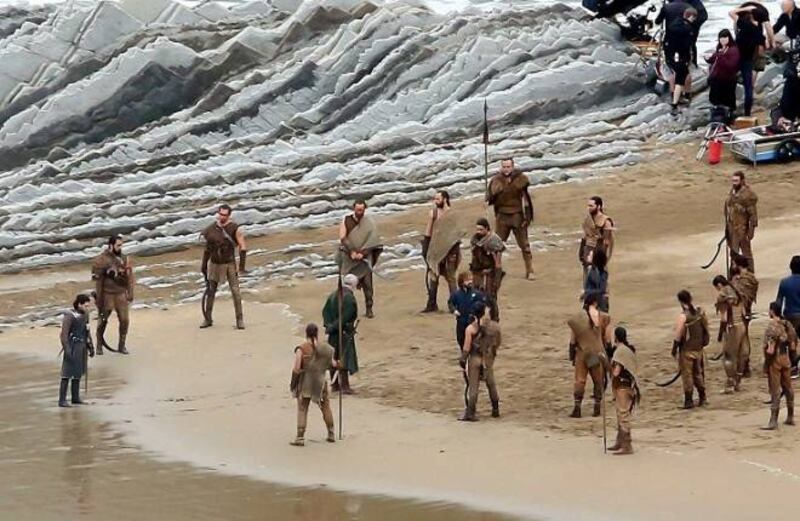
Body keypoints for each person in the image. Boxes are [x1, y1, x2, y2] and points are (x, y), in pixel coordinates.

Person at [486, 158, 535, 280]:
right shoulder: (496, 180)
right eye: (504, 167)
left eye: (508, 167)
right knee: (496, 245)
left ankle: (530, 270)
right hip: (502, 216)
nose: (506, 169)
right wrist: (492, 193)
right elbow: (490, 199)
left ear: (512, 167)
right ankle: (496, 270)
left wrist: (527, 216)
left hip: (517, 215)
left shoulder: (520, 179)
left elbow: (526, 200)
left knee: (525, 245)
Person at [200, 204, 247, 329]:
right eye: (221, 214)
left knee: (235, 292)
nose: (222, 217)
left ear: (229, 215)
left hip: (229, 263)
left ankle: (240, 320)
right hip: (214, 263)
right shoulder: (211, 229)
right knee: (211, 291)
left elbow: (243, 247)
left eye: (225, 215)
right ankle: (208, 319)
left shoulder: (234, 229)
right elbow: (207, 249)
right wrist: (204, 266)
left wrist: (241, 266)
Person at [289, 323, 337, 446]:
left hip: (306, 382)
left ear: (306, 333)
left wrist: (293, 383)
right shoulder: (325, 348)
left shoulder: (302, 349)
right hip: (320, 381)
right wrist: (339, 364)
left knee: (302, 408)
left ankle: (300, 437)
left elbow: (296, 368)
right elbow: (333, 364)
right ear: (317, 334)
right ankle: (331, 433)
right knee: (325, 407)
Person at [567, 293, 612, 418]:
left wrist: (572, 356)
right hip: (595, 355)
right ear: (596, 303)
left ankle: (577, 407)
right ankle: (597, 407)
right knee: (598, 380)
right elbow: (608, 340)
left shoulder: (577, 319)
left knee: (580, 380)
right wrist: (609, 355)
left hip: (582, 354)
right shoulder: (604, 318)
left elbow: (572, 341)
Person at [337, 200, 383, 319]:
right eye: (357, 210)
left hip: (365, 259)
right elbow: (343, 237)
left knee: (368, 285)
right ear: (354, 208)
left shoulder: (369, 222)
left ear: (364, 209)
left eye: (361, 210)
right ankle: (346, 309)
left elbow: (374, 240)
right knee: (347, 285)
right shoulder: (346, 220)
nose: (359, 212)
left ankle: (369, 308)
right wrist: (352, 251)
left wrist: (363, 253)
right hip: (349, 259)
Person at [458, 302, 502, 422]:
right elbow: (498, 342)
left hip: (475, 358)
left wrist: (463, 359)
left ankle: (471, 412)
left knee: (473, 386)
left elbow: (466, 347)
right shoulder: (494, 327)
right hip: (487, 359)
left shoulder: (471, 329)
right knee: (491, 384)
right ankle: (495, 408)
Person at [91, 234, 134, 355]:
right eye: (118, 245)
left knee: (125, 320)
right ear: (111, 245)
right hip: (107, 294)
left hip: (120, 293)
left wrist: (130, 292)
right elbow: (97, 279)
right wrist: (99, 298)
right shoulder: (101, 260)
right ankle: (99, 345)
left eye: (121, 245)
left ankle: (121, 345)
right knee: (103, 320)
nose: (120, 248)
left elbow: (129, 277)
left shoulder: (124, 259)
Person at [421, 190, 462, 313]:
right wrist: (426, 246)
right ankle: (432, 304)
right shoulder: (433, 213)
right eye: (435, 199)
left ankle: (454, 305)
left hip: (450, 251)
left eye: (438, 199)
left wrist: (454, 251)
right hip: (435, 250)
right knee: (433, 276)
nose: (436, 201)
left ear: (445, 199)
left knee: (451, 278)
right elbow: (428, 231)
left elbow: (456, 235)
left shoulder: (452, 214)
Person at [761, 302, 797, 429]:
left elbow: (770, 349)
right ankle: (790, 416)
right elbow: (793, 345)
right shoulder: (787, 324)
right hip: (785, 358)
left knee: (775, 390)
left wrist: (766, 364)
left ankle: (773, 421)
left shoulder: (772, 326)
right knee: (788, 388)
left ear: (772, 311)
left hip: (775, 359)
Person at [322, 274, 359, 394]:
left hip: (333, 333)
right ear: (353, 285)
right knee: (344, 357)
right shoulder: (349, 298)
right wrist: (335, 327)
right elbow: (346, 317)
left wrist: (329, 326)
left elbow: (325, 312)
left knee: (334, 356)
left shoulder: (333, 295)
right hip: (343, 332)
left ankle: (335, 385)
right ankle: (344, 386)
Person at [673, 290, 710, 409]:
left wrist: (674, 348)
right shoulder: (699, 313)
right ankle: (702, 397)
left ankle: (688, 401)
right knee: (698, 373)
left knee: (687, 375)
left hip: (687, 350)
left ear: (680, 301)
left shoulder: (683, 316)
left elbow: (678, 334)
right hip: (698, 349)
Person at [59, 294, 95, 407]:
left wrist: (90, 346)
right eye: (86, 306)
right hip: (72, 345)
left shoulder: (85, 315)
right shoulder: (70, 316)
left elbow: (87, 331)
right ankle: (62, 400)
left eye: (88, 306)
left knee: (78, 372)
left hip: (82, 346)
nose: (87, 308)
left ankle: (75, 397)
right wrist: (67, 349)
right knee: (67, 373)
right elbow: (64, 335)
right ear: (79, 304)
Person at [608, 327, 640, 455]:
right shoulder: (627, 350)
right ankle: (620, 441)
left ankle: (627, 445)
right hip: (628, 387)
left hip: (623, 387)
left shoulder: (620, 351)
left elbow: (616, 372)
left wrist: (607, 366)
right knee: (620, 414)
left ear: (616, 337)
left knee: (623, 415)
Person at [714, 275, 748, 393]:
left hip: (732, 327)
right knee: (742, 354)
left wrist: (720, 335)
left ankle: (730, 384)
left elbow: (724, 318)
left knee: (729, 356)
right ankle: (738, 382)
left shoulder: (723, 295)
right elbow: (744, 312)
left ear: (719, 285)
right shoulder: (738, 291)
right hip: (742, 326)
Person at [731, 8, 766, 116]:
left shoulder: (742, 23)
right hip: (747, 60)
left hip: (735, 59)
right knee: (748, 86)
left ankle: (730, 108)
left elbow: (732, 13)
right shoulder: (758, 32)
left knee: (730, 82)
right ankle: (747, 112)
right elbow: (761, 50)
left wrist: (747, 8)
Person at [469, 218, 505, 321]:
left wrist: (497, 278)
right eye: (477, 229)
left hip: (489, 273)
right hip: (477, 272)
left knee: (491, 298)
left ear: (487, 229)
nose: (478, 232)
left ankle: (494, 319)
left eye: (481, 230)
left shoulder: (493, 240)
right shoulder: (475, 239)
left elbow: (497, 262)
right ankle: (476, 319)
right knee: (475, 296)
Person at [664, 7, 698, 115]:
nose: (694, 20)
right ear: (690, 16)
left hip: (672, 56)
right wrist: (691, 58)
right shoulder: (688, 28)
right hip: (682, 57)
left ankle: (680, 97)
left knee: (681, 76)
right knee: (680, 81)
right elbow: (689, 45)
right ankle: (675, 103)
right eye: (694, 18)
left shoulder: (673, 25)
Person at [730, 253, 759, 377]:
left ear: (739, 265)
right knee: (744, 337)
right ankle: (745, 365)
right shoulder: (751, 278)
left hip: (739, 312)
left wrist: (732, 282)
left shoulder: (742, 280)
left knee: (740, 340)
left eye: (734, 264)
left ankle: (743, 366)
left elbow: (736, 296)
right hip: (746, 311)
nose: (732, 266)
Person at [724, 171, 758, 272]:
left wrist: (751, 231)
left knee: (746, 254)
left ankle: (750, 273)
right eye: (733, 181)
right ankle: (734, 273)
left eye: (736, 181)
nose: (734, 183)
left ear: (742, 181)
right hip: (732, 229)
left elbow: (753, 215)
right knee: (733, 254)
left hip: (743, 230)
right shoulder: (732, 192)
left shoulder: (748, 195)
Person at [449, 271, 488, 351]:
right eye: (467, 280)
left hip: (472, 321)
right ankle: (464, 352)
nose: (470, 282)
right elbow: (450, 303)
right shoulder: (456, 294)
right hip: (461, 320)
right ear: (461, 282)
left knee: (472, 338)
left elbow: (483, 303)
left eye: (471, 280)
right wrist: (454, 310)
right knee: (460, 339)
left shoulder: (476, 293)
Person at [706, 30, 741, 114]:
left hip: (728, 79)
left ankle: (729, 115)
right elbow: (714, 59)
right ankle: (719, 114)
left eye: (725, 37)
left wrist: (721, 56)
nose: (723, 39)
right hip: (717, 78)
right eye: (721, 37)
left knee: (728, 99)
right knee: (715, 99)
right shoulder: (720, 48)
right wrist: (708, 58)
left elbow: (731, 65)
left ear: (729, 38)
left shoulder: (733, 50)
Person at [579, 196, 614, 277]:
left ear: (598, 206)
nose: (589, 208)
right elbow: (585, 235)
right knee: (587, 275)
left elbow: (607, 241)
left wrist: (605, 258)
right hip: (588, 248)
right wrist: (582, 250)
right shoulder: (588, 219)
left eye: (591, 206)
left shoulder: (605, 221)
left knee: (599, 275)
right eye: (588, 206)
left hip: (599, 250)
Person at [776, 256, 800, 374]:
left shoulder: (784, 282)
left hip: (790, 315)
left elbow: (779, 301)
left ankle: (794, 366)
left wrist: (778, 316)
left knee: (791, 341)